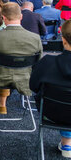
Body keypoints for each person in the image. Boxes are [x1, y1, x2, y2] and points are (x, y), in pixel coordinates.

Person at [0, 2, 43, 114]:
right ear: (21, 16)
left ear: (3, 18)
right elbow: (39, 63)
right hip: (25, 80)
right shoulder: (35, 38)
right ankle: (0, 103)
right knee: (7, 66)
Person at [29, 19, 71, 158]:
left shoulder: (47, 62)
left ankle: (67, 143)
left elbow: (33, 86)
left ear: (63, 40)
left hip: (52, 113)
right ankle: (67, 143)